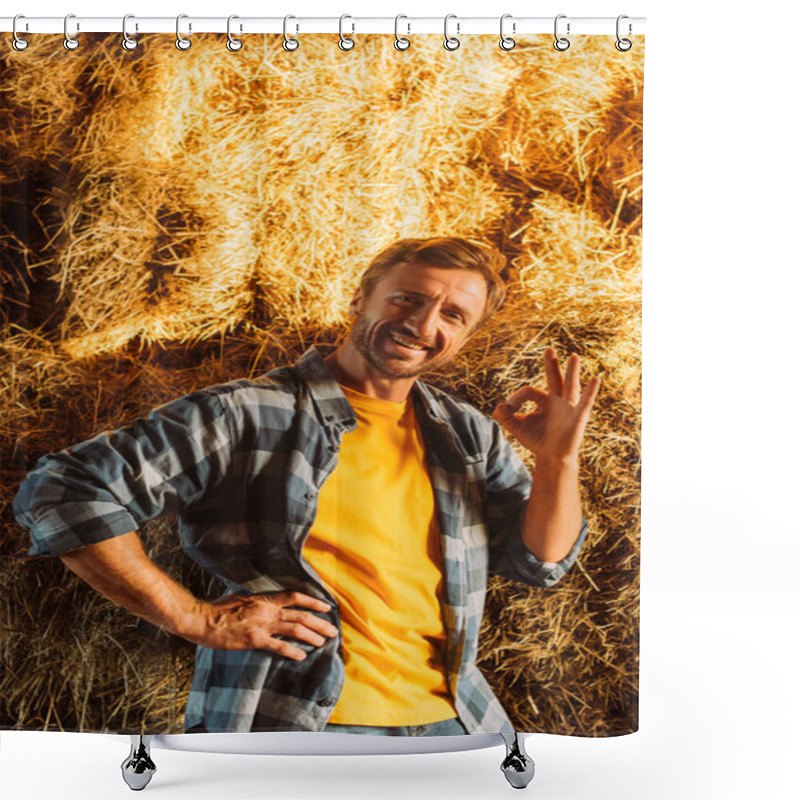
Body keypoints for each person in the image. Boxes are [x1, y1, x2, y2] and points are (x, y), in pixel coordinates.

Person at [13, 236, 600, 737]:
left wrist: (557, 460)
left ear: (467, 335)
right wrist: (195, 618)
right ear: (359, 299)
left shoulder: (467, 435)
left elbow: (539, 561)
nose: (424, 324)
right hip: (297, 723)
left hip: (458, 722)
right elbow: (65, 487)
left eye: (452, 315)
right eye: (408, 299)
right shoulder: (249, 412)